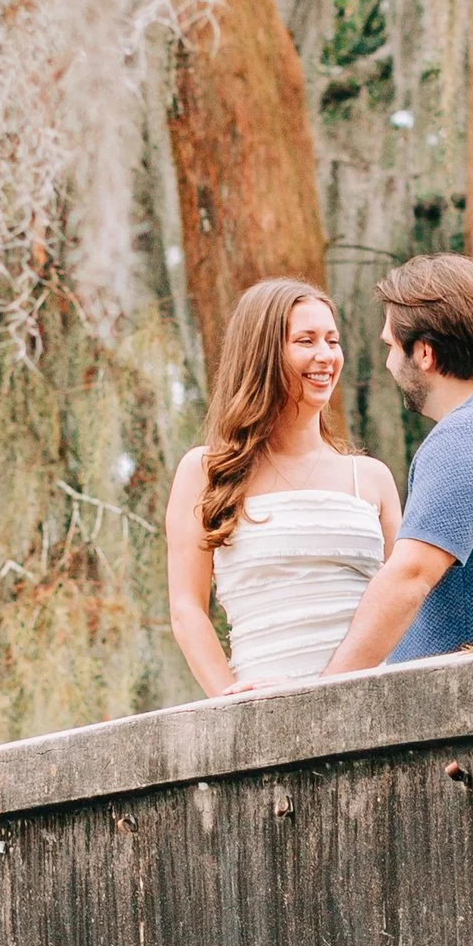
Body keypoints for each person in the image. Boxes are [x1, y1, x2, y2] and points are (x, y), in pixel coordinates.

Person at [322, 255, 473, 672]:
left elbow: (411, 575)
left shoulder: (471, 433)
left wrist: (324, 692)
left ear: (423, 353)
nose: (387, 363)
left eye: (390, 346)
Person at [165, 277, 405, 695]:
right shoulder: (205, 472)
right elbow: (187, 608)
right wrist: (228, 699)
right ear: (262, 353)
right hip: (262, 714)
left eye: (332, 340)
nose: (326, 356)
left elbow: (405, 601)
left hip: (372, 707)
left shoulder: (372, 478)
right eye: (306, 340)